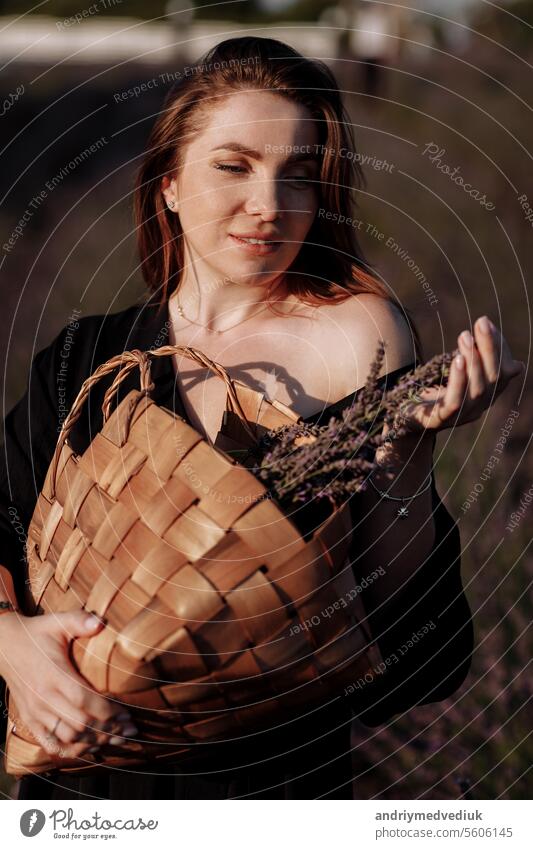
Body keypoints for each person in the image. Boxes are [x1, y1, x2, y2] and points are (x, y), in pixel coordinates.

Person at [0, 37, 523, 800]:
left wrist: (406, 449)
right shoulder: (85, 355)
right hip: (84, 792)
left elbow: (394, 633)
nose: (269, 206)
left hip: (270, 791)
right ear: (169, 182)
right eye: (233, 165)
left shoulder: (355, 344)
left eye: (298, 176)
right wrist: (14, 646)